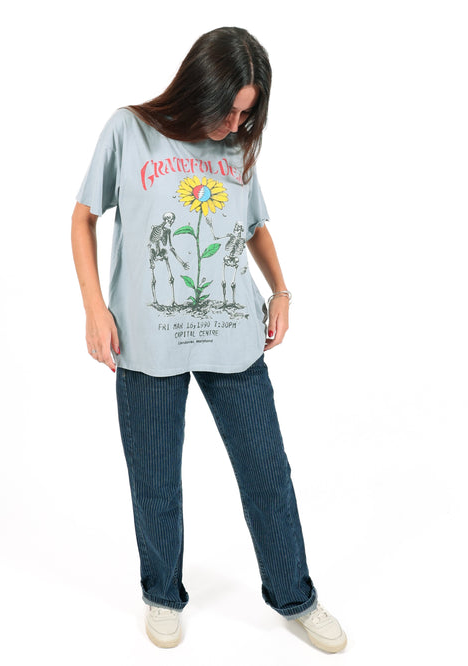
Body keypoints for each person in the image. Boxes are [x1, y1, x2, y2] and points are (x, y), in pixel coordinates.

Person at [71, 26, 347, 653]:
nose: (234, 124)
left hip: (233, 337)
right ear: (200, 86)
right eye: (228, 108)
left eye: (247, 114)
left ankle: (295, 597)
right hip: (145, 343)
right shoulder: (128, 130)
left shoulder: (238, 147)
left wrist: (281, 291)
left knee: (267, 474)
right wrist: (94, 308)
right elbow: (83, 218)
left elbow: (253, 226)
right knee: (155, 479)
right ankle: (162, 593)